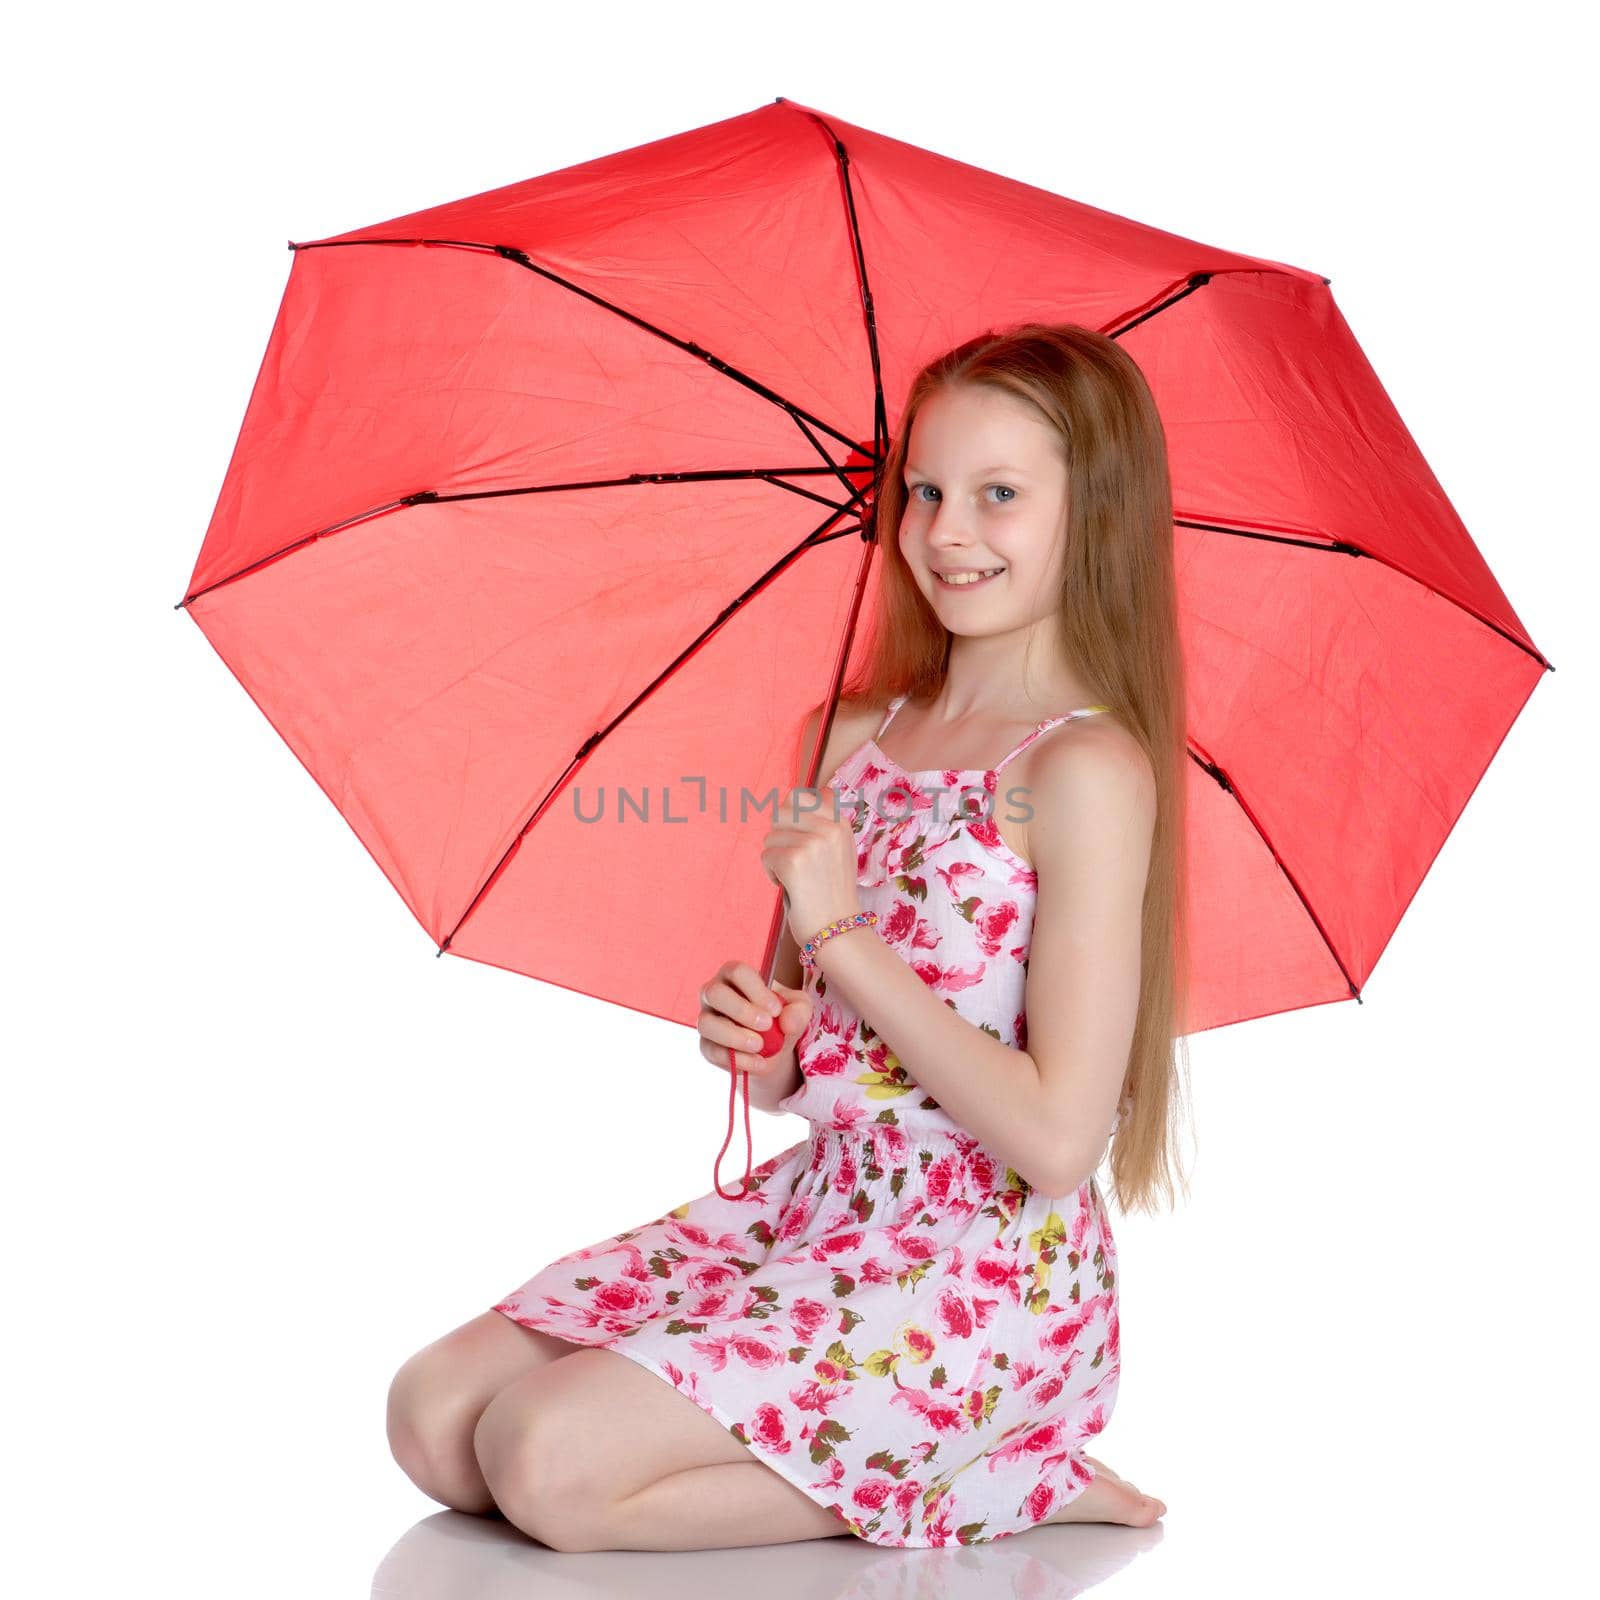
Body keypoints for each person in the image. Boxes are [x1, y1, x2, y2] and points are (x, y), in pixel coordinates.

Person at [387, 322, 1193, 1552]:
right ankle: (938, 1457)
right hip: (819, 1210)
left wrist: (848, 937)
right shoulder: (850, 735)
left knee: (545, 1464)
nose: (945, 531)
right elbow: (801, 1064)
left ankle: (1008, 1465)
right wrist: (764, 1037)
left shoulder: (1084, 769)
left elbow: (1055, 1138)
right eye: (922, 489)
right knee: (437, 1419)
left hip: (973, 1270)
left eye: (999, 495)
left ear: (1096, 513)